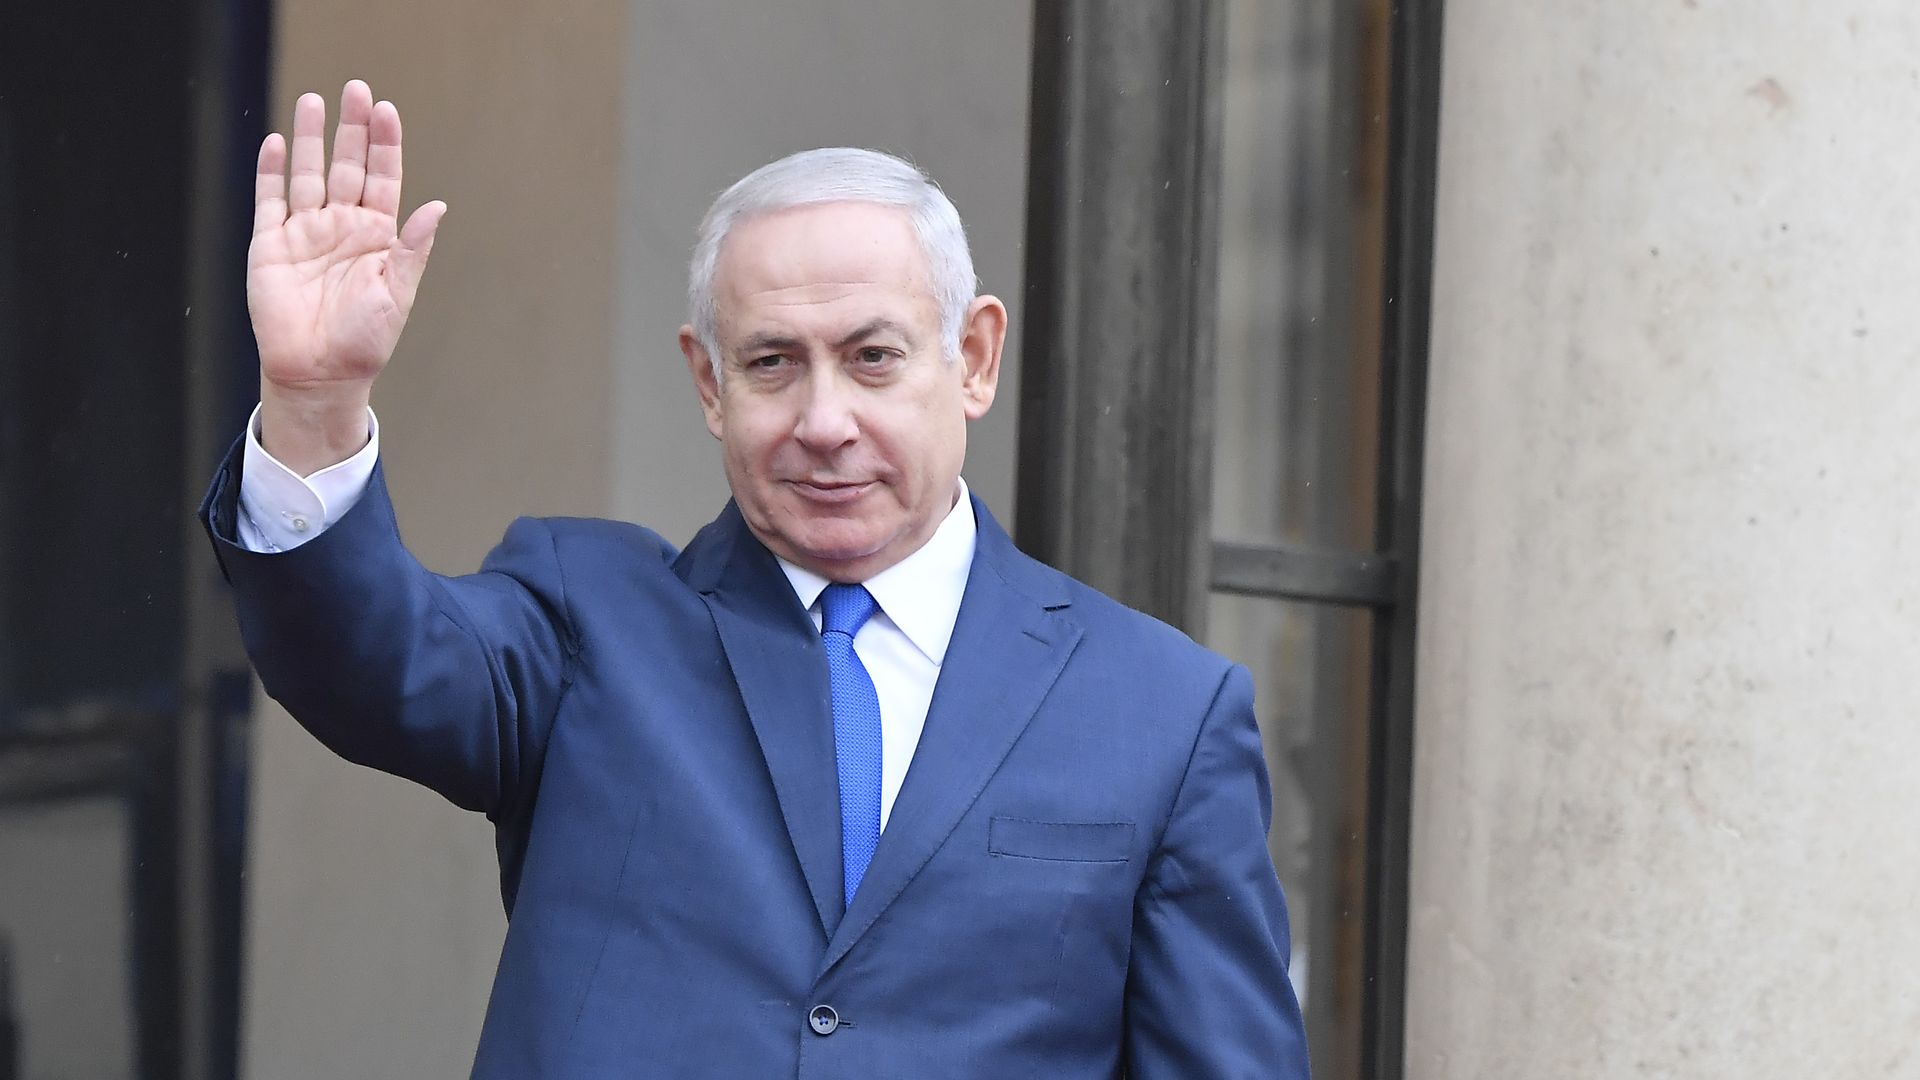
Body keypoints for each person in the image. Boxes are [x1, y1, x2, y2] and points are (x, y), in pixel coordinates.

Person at [200, 80, 1310, 1078]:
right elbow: (369, 660)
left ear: (973, 358)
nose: (825, 421)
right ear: (709, 383)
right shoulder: (590, 623)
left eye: (873, 358)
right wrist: (315, 407)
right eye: (773, 363)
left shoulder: (1162, 712)